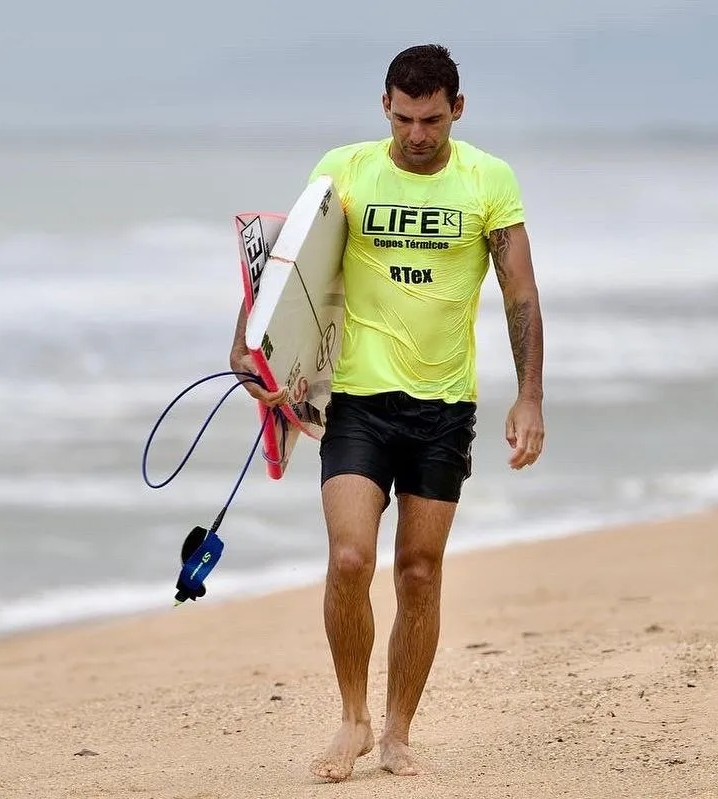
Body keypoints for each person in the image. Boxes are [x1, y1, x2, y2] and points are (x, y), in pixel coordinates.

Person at [229, 43, 545, 782]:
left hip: (444, 408)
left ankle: (398, 729)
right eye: (403, 118)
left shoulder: (488, 180)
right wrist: (252, 349)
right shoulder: (343, 169)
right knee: (349, 559)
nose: (416, 134)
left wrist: (528, 395)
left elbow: (519, 292)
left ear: (456, 110)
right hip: (360, 403)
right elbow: (287, 273)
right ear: (384, 108)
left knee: (418, 573)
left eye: (431, 119)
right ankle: (352, 718)